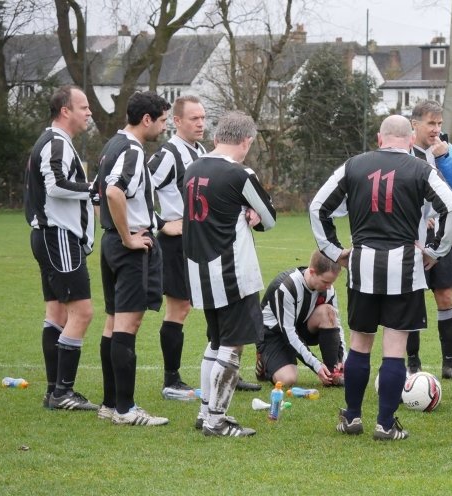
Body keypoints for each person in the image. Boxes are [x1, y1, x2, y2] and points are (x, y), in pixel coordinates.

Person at [310, 115, 452, 441]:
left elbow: (317, 206)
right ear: (409, 141)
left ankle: (351, 417)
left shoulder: (353, 165)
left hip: (363, 264)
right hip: (404, 266)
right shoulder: (420, 168)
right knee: (394, 347)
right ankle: (385, 423)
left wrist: (334, 251)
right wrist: (435, 252)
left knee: (360, 344)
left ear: (380, 138)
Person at [184, 111, 276, 437]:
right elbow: (268, 218)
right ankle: (217, 419)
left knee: (216, 340)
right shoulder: (240, 173)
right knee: (233, 344)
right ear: (246, 141)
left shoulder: (192, 168)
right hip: (231, 269)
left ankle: (204, 410)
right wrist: (251, 213)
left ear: (215, 137)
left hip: (199, 268)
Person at [96, 90, 172, 426]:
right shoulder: (131, 150)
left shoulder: (112, 144)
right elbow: (113, 192)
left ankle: (110, 404)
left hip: (111, 244)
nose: (164, 127)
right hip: (129, 248)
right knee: (128, 324)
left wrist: (114, 234)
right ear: (147, 119)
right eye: (163, 120)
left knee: (113, 322)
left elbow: (98, 192)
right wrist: (128, 236)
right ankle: (125, 410)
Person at [24, 85, 97, 411]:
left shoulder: (55, 142)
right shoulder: (56, 143)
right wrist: (94, 189)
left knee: (56, 312)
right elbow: (55, 185)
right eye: (83, 107)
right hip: (59, 238)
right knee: (82, 312)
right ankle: (62, 392)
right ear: (65, 111)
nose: (89, 112)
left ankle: (55, 391)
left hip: (49, 237)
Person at [147, 95, 207, 400]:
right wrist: (160, 222)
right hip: (176, 243)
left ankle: (222, 372)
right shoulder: (169, 154)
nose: (200, 123)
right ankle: (171, 380)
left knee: (215, 303)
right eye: (194, 118)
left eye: (203, 118)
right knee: (179, 307)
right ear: (177, 121)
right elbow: (136, 186)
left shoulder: (201, 151)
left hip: (201, 241)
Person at [406, 100, 452, 380]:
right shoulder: (405, 152)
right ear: (414, 124)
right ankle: (412, 364)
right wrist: (419, 214)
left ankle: (449, 364)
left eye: (439, 124)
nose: (435, 130)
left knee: (445, 296)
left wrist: (444, 157)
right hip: (413, 236)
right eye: (430, 124)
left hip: (446, 234)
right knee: (411, 299)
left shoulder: (447, 150)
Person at [257, 250, 346, 387]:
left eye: (331, 282)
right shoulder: (287, 287)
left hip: (300, 325)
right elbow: (289, 334)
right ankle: (263, 360)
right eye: (325, 282)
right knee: (288, 380)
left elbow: (337, 325)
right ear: (312, 272)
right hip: (274, 334)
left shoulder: (328, 288)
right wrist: (316, 366)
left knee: (328, 312)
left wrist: (342, 359)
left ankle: (331, 374)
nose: (328, 287)